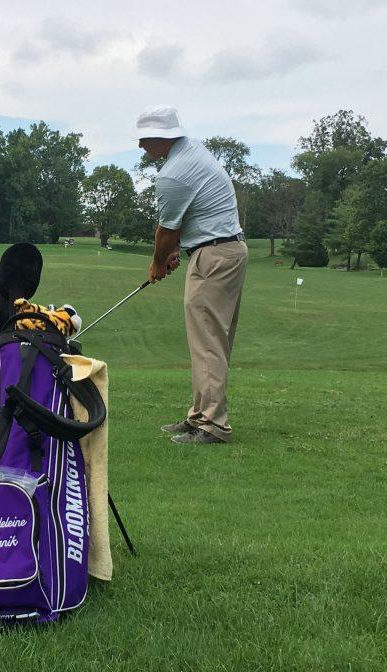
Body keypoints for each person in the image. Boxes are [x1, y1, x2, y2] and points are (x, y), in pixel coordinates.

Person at [137, 105, 248, 444]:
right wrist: (172, 253)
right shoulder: (193, 150)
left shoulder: (173, 173)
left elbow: (165, 230)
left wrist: (159, 262)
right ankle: (200, 416)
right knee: (210, 340)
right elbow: (185, 220)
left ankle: (212, 426)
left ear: (160, 138)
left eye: (144, 139)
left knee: (207, 341)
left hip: (214, 256)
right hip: (223, 250)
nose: (142, 146)